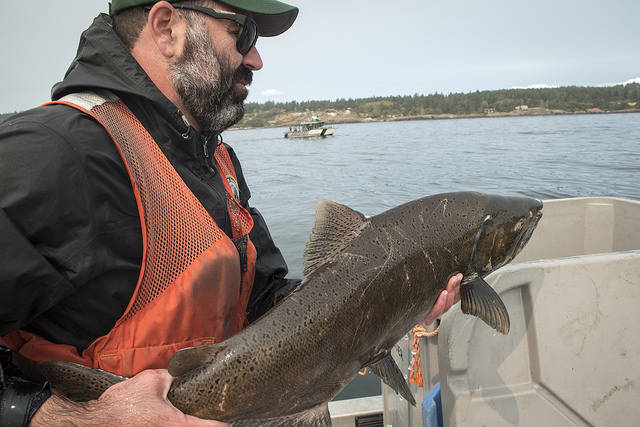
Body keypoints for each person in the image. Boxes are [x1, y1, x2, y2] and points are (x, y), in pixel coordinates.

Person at [0, 1, 461, 425]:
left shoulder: (215, 160)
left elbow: (265, 300)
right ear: (167, 29)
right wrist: (70, 418)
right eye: (244, 33)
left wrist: (386, 303)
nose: (256, 59)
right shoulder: (49, 155)